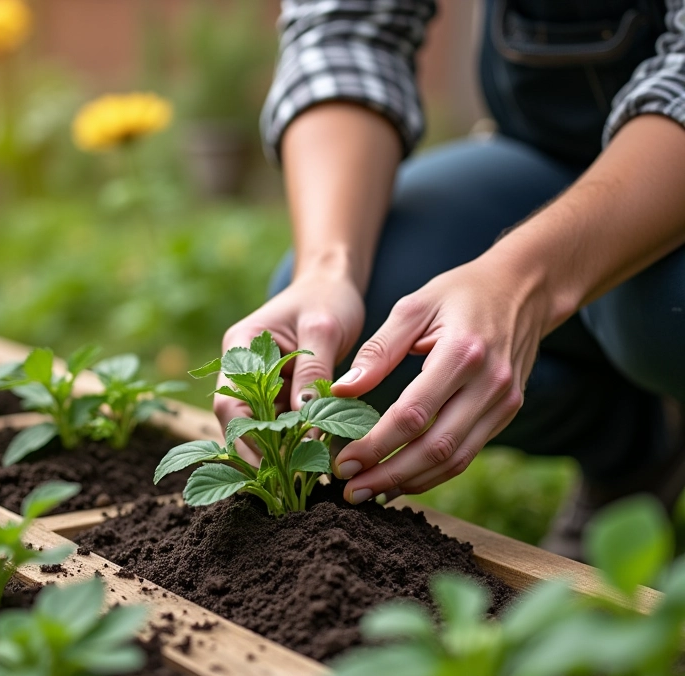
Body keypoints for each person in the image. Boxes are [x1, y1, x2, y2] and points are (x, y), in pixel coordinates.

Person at [215, 0, 685, 561]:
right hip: (550, 161)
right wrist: (328, 268)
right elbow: (346, 30)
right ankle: (635, 445)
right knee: (349, 321)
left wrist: (522, 281)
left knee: (656, 310)